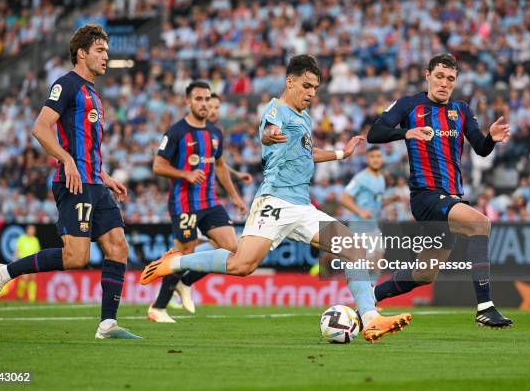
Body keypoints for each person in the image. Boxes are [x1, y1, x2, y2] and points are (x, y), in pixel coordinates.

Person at [141, 55, 412, 343]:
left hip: (302, 206)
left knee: (354, 249)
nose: (311, 93)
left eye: (315, 89)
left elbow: (306, 153)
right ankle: (178, 261)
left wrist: (340, 154)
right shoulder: (276, 109)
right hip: (274, 202)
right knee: (241, 266)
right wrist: (271, 135)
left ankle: (370, 319)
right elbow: (269, 132)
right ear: (290, 82)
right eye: (306, 86)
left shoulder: (304, 118)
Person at [0, 24, 141, 339]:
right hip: (75, 184)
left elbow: (89, 146)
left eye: (107, 51)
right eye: (100, 51)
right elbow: (41, 128)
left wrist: (105, 176)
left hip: (95, 182)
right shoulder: (66, 85)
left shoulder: (93, 92)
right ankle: (4, 272)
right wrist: (67, 160)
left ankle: (107, 324)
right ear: (81, 53)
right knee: (76, 258)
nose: (106, 57)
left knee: (118, 247)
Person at [367, 53, 513, 328]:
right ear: (427, 75)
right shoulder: (410, 105)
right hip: (425, 196)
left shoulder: (462, 110)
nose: (444, 83)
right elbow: (375, 132)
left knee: (424, 273)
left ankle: (369, 296)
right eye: (439, 77)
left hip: (450, 198)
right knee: (480, 224)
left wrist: (491, 139)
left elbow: (480, 148)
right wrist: (405, 133)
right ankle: (485, 306)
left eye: (450, 79)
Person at [146, 81, 247, 323]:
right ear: (188, 102)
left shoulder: (214, 133)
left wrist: (235, 197)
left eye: (206, 99)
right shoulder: (176, 132)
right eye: (198, 99)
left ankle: (186, 281)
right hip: (184, 204)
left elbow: (220, 166)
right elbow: (158, 166)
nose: (203, 104)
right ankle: (157, 308)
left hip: (210, 202)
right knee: (184, 253)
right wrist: (186, 174)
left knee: (231, 248)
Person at [340, 146, 394, 287]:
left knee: (377, 263)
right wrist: (359, 211)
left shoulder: (381, 178)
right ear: (367, 159)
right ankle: (363, 299)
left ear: (382, 159)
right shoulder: (360, 178)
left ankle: (371, 298)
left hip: (372, 226)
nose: (376, 159)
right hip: (359, 226)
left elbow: (377, 201)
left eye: (378, 156)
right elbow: (344, 198)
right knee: (363, 265)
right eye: (372, 156)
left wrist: (391, 200)